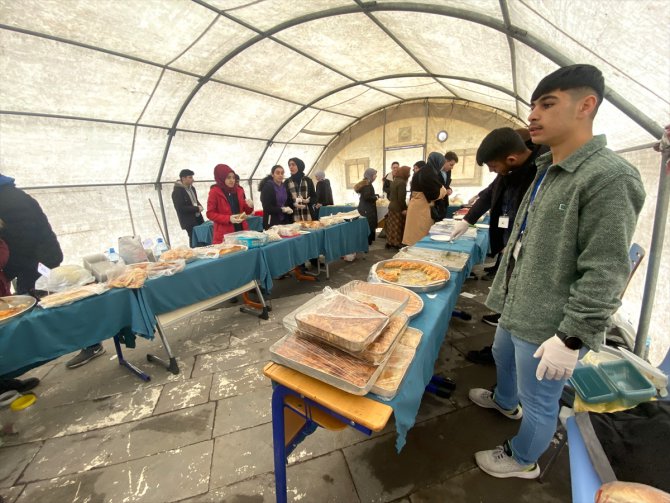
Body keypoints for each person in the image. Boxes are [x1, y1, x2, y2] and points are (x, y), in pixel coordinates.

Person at [469, 64, 645, 480]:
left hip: (550, 321)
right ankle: (503, 400)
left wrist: (571, 336)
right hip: (519, 304)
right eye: (532, 105)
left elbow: (605, 269)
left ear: (586, 106)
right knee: (500, 355)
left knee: (541, 398)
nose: (533, 115)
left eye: (547, 104)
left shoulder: (609, 177)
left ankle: (523, 458)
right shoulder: (548, 168)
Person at [0, 175, 105, 374]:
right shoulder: (10, 195)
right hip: (35, 261)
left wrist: (9, 269)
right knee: (46, 306)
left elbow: (24, 240)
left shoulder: (9, 200)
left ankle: (91, 343)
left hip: (37, 263)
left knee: (53, 306)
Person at [451, 128, 547, 334]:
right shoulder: (509, 170)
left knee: (518, 291)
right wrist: (467, 220)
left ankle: (509, 324)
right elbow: (489, 194)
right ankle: (503, 318)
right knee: (507, 284)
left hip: (528, 247)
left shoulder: (541, 170)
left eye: (493, 166)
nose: (492, 171)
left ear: (511, 158)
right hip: (509, 241)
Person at [402, 153, 448, 246]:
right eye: (442, 163)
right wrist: (443, 191)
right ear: (437, 162)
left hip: (416, 206)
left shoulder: (422, 171)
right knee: (420, 237)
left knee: (413, 235)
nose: (442, 166)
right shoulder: (429, 173)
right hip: (422, 208)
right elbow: (433, 195)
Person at [207, 164, 254, 244]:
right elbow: (210, 214)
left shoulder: (239, 190)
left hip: (242, 230)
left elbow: (245, 210)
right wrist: (228, 218)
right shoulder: (214, 192)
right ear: (221, 177)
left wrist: (250, 207)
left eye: (233, 177)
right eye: (228, 177)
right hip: (225, 233)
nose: (232, 180)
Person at [171, 169, 204, 244]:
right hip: (188, 220)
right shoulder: (177, 192)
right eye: (190, 177)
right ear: (183, 178)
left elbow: (195, 200)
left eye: (192, 177)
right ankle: (194, 254)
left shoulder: (192, 188)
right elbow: (180, 208)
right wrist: (196, 208)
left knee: (202, 237)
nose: (193, 179)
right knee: (194, 239)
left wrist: (200, 205)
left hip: (198, 217)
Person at [258, 165, 294, 229]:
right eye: (277, 173)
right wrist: (282, 209)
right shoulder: (267, 187)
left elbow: (288, 201)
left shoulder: (285, 186)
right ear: (272, 174)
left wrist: (294, 204)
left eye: (282, 173)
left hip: (284, 220)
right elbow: (267, 207)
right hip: (271, 221)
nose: (280, 175)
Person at [386, 165, 410, 249]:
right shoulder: (402, 183)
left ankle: (390, 242)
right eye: (408, 173)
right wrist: (404, 208)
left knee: (391, 226)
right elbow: (401, 198)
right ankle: (396, 243)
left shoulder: (395, 180)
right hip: (398, 208)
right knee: (397, 226)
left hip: (391, 206)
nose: (409, 174)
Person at [285, 158, 316, 222]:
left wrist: (308, 201)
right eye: (289, 165)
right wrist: (293, 203)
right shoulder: (287, 182)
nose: (291, 167)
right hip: (293, 216)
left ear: (299, 166)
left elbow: (314, 196)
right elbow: (285, 199)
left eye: (293, 165)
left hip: (308, 214)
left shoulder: (308, 180)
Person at [354, 168, 379, 245]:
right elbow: (367, 197)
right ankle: (367, 242)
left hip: (365, 207)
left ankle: (368, 241)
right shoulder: (367, 184)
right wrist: (376, 198)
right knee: (369, 225)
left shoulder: (366, 183)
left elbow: (367, 195)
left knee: (368, 224)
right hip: (367, 208)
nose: (376, 176)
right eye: (375, 175)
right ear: (370, 175)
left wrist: (375, 195)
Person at [432, 151, 457, 222]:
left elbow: (446, 185)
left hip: (444, 203)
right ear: (445, 161)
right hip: (435, 204)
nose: (452, 168)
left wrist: (449, 189)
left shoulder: (448, 171)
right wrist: (444, 191)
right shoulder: (434, 171)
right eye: (451, 165)